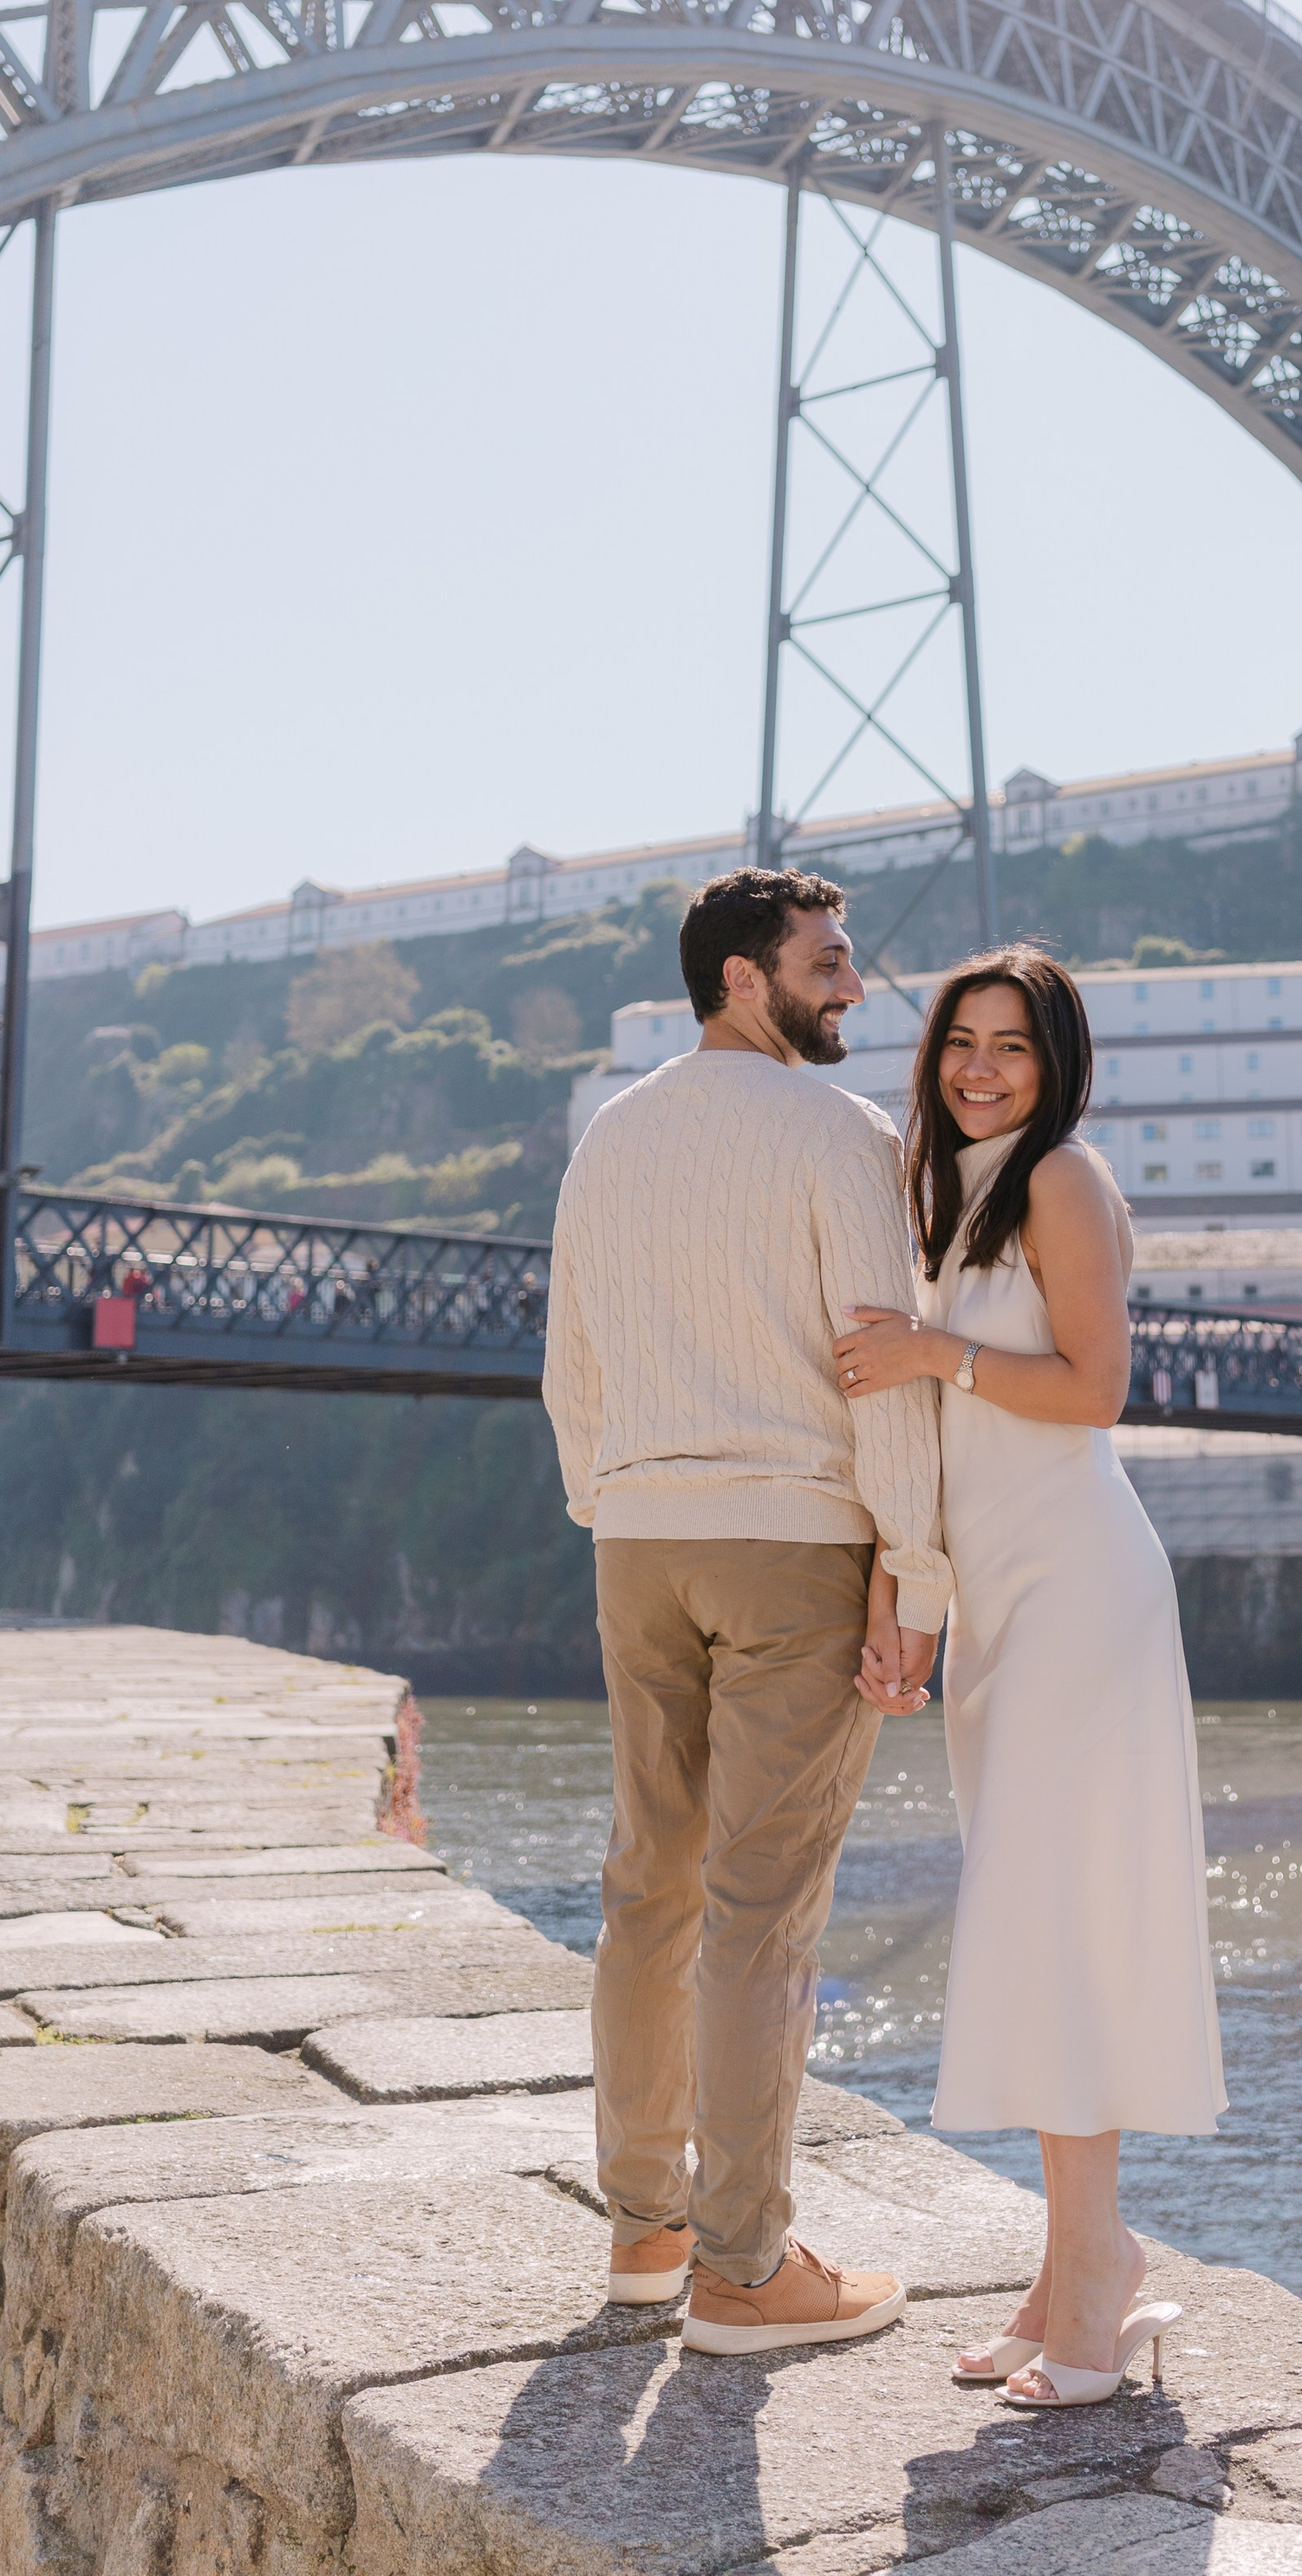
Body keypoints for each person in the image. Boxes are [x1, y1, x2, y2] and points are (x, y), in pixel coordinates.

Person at [544, 865, 951, 2357]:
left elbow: (568, 1366)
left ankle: (645, 2231)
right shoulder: (841, 1138)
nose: (853, 988)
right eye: (828, 961)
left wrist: (620, 1501)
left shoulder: (613, 1136)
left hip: (641, 1540)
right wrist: (913, 1573)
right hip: (792, 1541)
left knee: (647, 1887)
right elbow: (882, 1364)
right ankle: (746, 2267)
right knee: (762, 1910)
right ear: (741, 976)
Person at [835, 947, 1225, 2409]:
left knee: (1057, 1920)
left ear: (1057, 1064)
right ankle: (1071, 2269)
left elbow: (1095, 1389)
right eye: (958, 1043)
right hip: (996, 1600)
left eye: (1012, 1046)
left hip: (1080, 1589)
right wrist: (902, 1605)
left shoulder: (1063, 1181)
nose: (980, 1068)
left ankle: (1097, 2268)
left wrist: (938, 1348)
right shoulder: (947, 1194)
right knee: (1038, 1916)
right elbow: (924, 1442)